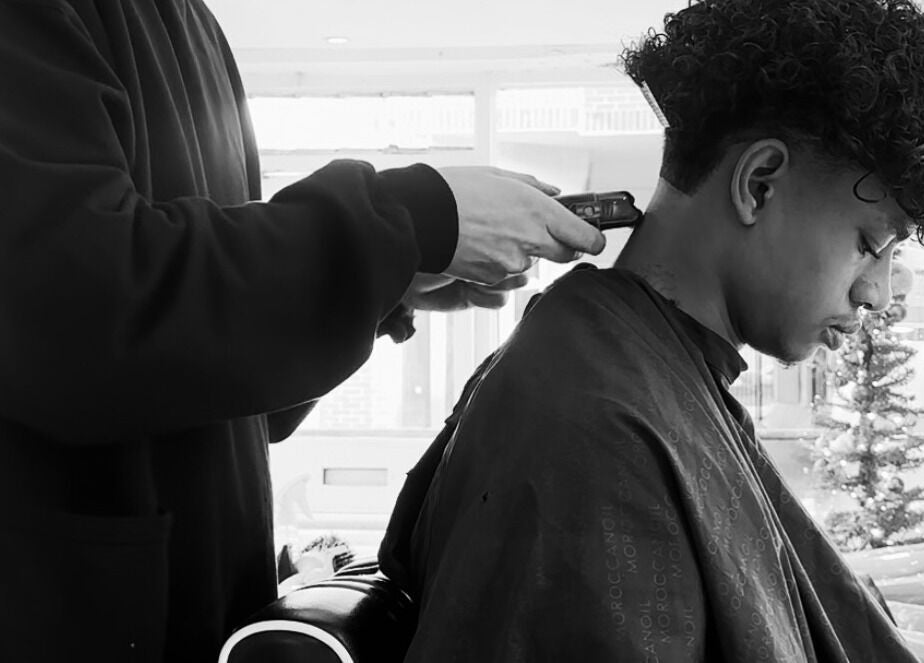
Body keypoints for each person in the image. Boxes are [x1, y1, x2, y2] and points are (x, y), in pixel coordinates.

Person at [0, 2, 606, 662]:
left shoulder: (193, 25)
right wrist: (409, 223)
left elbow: (228, 391)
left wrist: (385, 284)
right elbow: (77, 317)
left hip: (203, 609)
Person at [379, 0, 924, 660]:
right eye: (870, 243)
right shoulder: (593, 427)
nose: (880, 293)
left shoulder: (647, 371)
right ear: (759, 184)